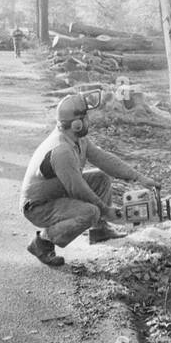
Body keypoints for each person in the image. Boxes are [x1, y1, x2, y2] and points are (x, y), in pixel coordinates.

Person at [20, 90, 159, 267]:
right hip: (38, 205)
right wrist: (105, 210)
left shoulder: (77, 139)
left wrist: (139, 177)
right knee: (90, 212)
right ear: (77, 124)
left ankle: (100, 230)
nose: (88, 121)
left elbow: (105, 160)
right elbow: (78, 189)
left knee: (100, 178)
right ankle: (43, 242)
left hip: (55, 190)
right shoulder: (62, 151)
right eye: (85, 117)